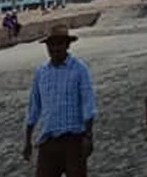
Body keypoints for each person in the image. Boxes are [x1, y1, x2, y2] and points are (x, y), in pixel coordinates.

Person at [23, 23, 96, 177]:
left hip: (74, 140)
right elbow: (34, 107)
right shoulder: (41, 72)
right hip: (49, 140)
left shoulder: (79, 69)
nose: (55, 48)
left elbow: (88, 103)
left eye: (59, 44)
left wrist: (88, 136)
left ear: (67, 45)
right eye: (51, 45)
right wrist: (27, 140)